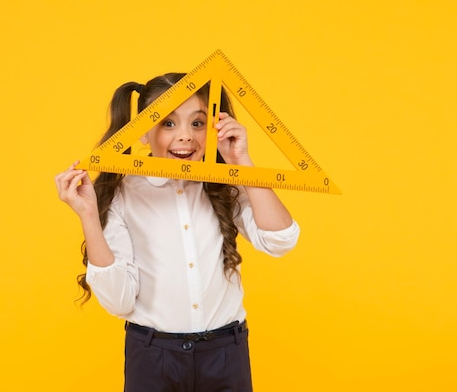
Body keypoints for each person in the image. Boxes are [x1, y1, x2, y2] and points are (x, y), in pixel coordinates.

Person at [55, 73, 300, 392]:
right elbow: (119, 300)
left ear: (214, 127)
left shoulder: (227, 183)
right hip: (153, 356)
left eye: (197, 123)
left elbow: (281, 240)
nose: (184, 136)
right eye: (167, 123)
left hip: (226, 353)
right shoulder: (122, 194)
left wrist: (242, 162)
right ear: (142, 133)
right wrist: (88, 214)